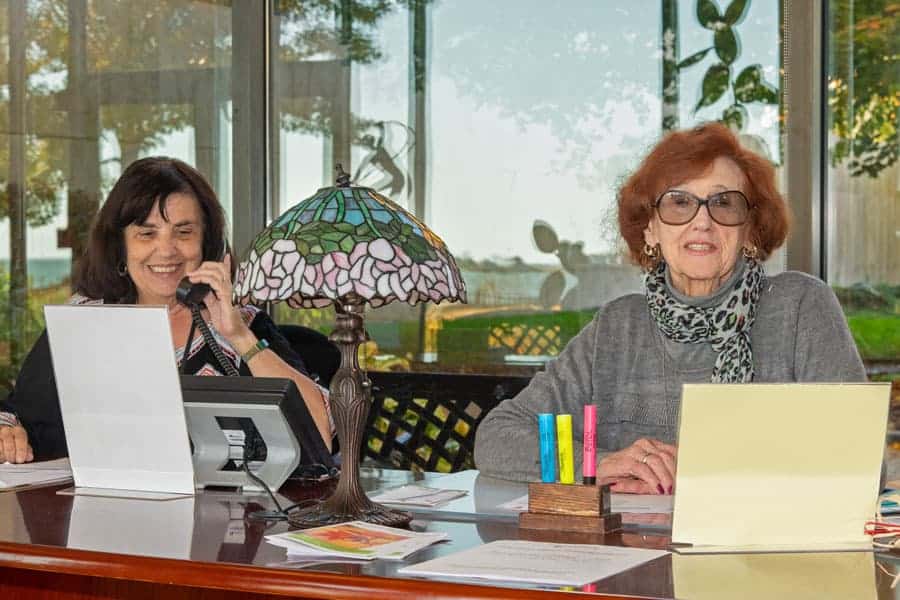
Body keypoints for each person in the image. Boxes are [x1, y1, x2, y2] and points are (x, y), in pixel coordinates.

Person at [474, 123, 866, 492]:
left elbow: (856, 457)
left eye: (725, 204)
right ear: (650, 230)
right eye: (679, 203)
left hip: (758, 558)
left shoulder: (799, 307)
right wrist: (598, 463)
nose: (702, 222)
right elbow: (497, 437)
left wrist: (701, 471)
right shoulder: (618, 326)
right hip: (629, 555)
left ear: (750, 229)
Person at [0, 157, 332, 463]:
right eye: (146, 233)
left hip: (222, 520)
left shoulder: (243, 322)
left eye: (184, 232)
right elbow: (18, 412)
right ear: (121, 245)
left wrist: (239, 336)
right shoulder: (84, 320)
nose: (166, 250)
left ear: (208, 244)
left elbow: (320, 433)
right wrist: (7, 434)